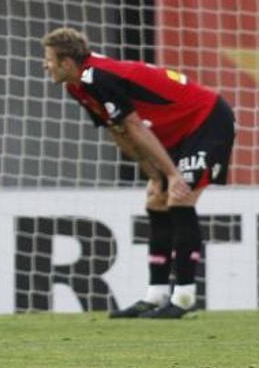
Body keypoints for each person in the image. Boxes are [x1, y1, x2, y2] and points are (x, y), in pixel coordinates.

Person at [41, 27, 236, 319]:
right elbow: (116, 129)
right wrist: (155, 175)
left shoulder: (96, 77)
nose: (45, 65)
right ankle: (156, 295)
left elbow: (133, 125)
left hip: (207, 119)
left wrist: (171, 175)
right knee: (156, 199)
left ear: (67, 62)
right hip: (179, 131)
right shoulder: (77, 85)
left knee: (180, 197)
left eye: (49, 59)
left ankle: (183, 297)